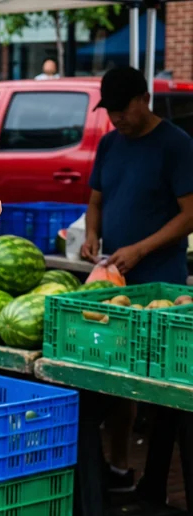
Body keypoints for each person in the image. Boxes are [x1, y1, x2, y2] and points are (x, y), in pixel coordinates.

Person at [81, 66, 193, 493]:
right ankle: (121, 468)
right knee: (115, 379)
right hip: (115, 279)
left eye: (121, 109)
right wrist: (92, 235)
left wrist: (141, 249)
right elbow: (95, 201)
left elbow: (190, 213)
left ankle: (158, 479)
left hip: (160, 282)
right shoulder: (110, 145)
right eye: (109, 111)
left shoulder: (175, 145)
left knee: (156, 382)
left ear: (143, 99)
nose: (115, 119)